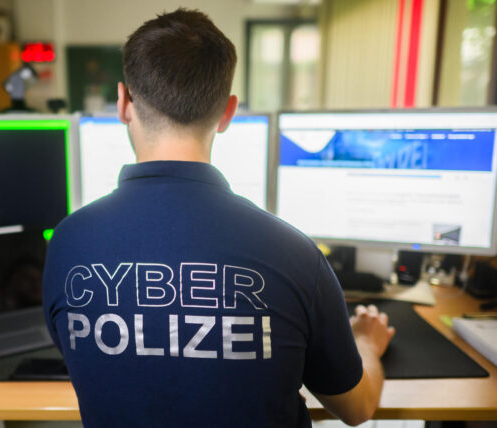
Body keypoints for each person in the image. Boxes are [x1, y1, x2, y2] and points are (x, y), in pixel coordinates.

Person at [43, 8, 395, 427]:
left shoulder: (67, 243)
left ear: (122, 103)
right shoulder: (293, 253)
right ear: (228, 112)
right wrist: (367, 344)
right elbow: (356, 410)